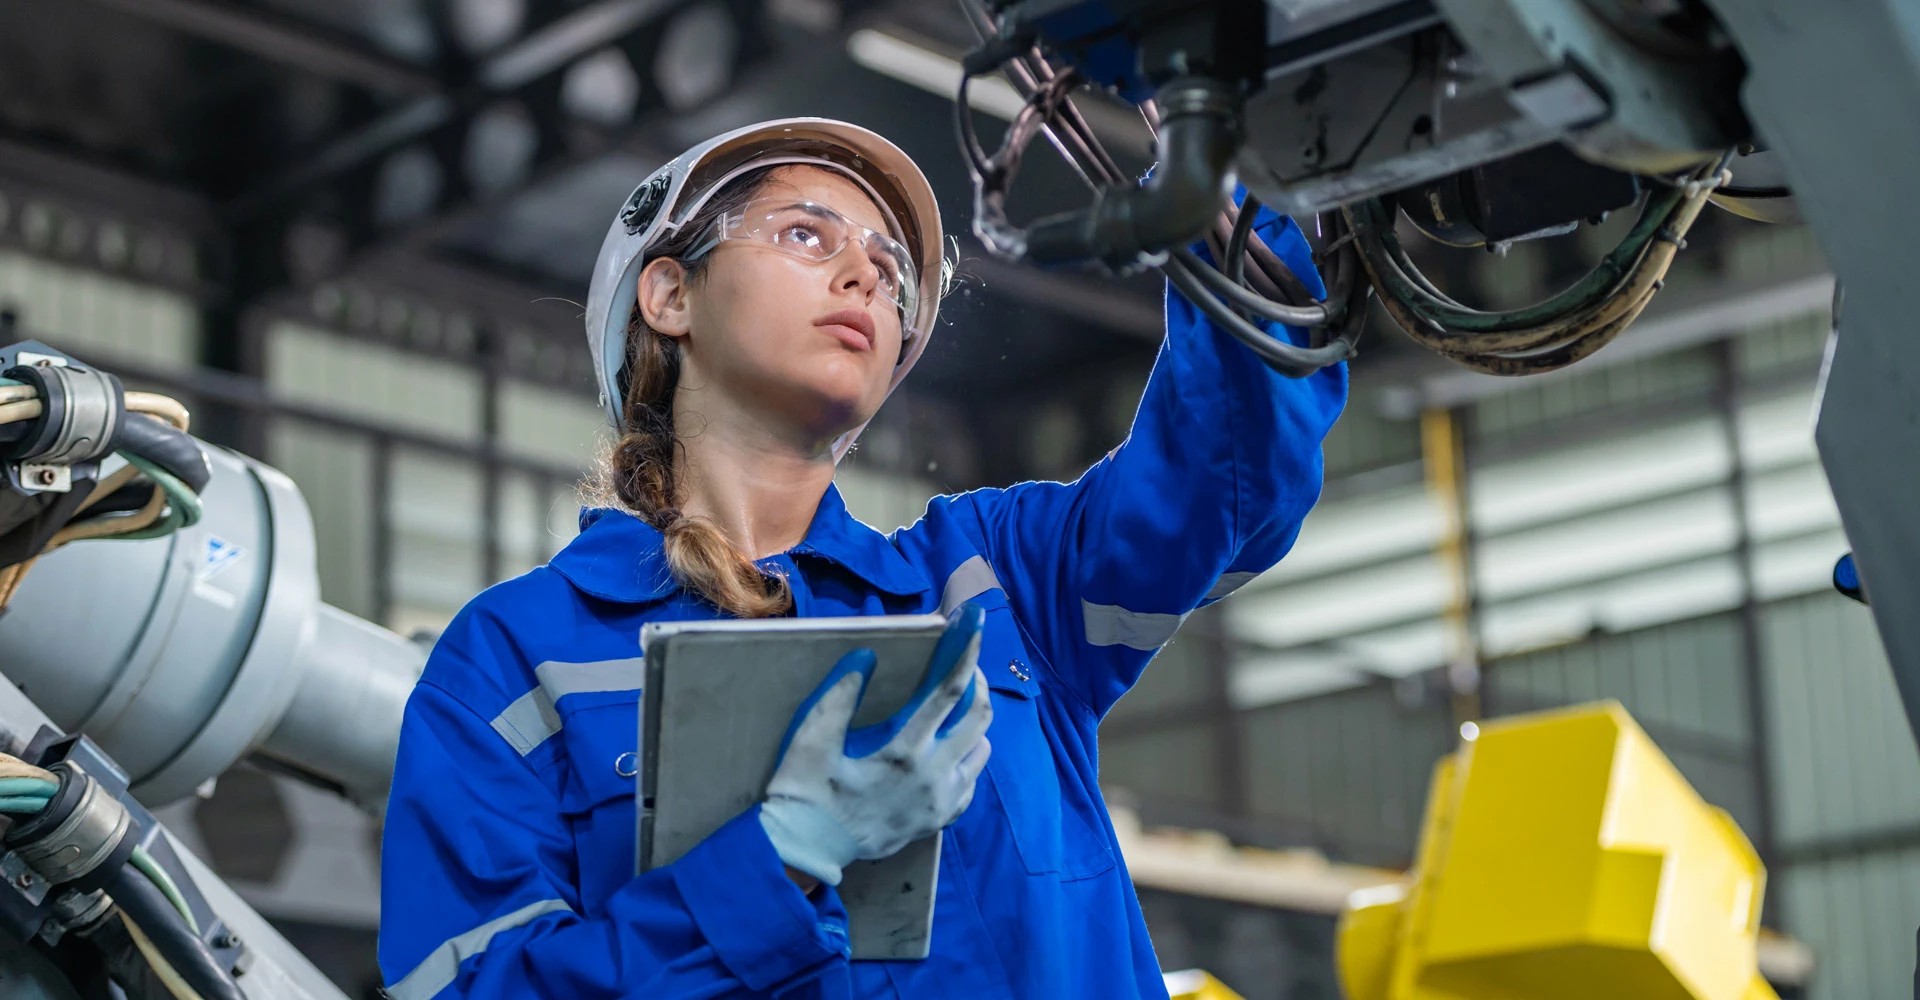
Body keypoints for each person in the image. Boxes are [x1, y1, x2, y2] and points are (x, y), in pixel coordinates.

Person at [377, 118, 1347, 999]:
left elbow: (1228, 476)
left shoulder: (1000, 581)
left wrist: (1243, 164)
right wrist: (775, 861)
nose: (867, 277)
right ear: (670, 294)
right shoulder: (509, 660)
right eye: (807, 234)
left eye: (891, 269)